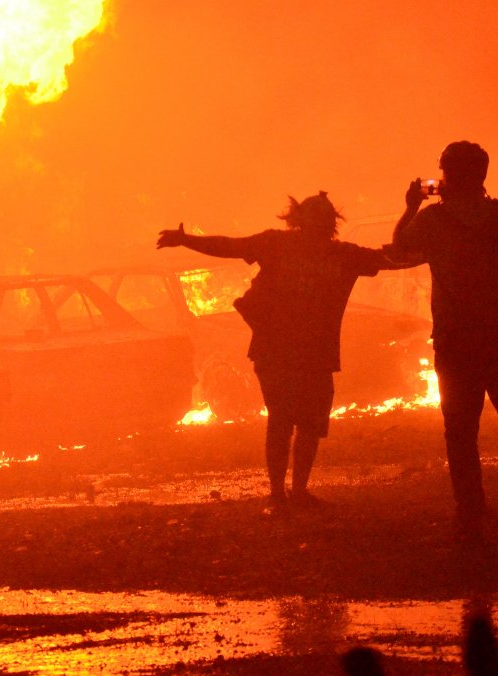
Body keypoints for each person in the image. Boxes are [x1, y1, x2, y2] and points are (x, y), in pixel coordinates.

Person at [158, 192, 401, 516]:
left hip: (305, 353)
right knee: (285, 422)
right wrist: (186, 241)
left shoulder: (339, 254)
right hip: (279, 352)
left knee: (306, 425)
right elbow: (230, 246)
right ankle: (280, 495)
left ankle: (294, 494)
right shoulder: (295, 247)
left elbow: (395, 258)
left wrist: (185, 240)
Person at [392, 140, 498, 541]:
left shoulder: (433, 221)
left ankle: (470, 513)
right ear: (483, 173)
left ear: (447, 174)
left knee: (461, 431)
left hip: (457, 341)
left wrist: (410, 205)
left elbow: (400, 251)